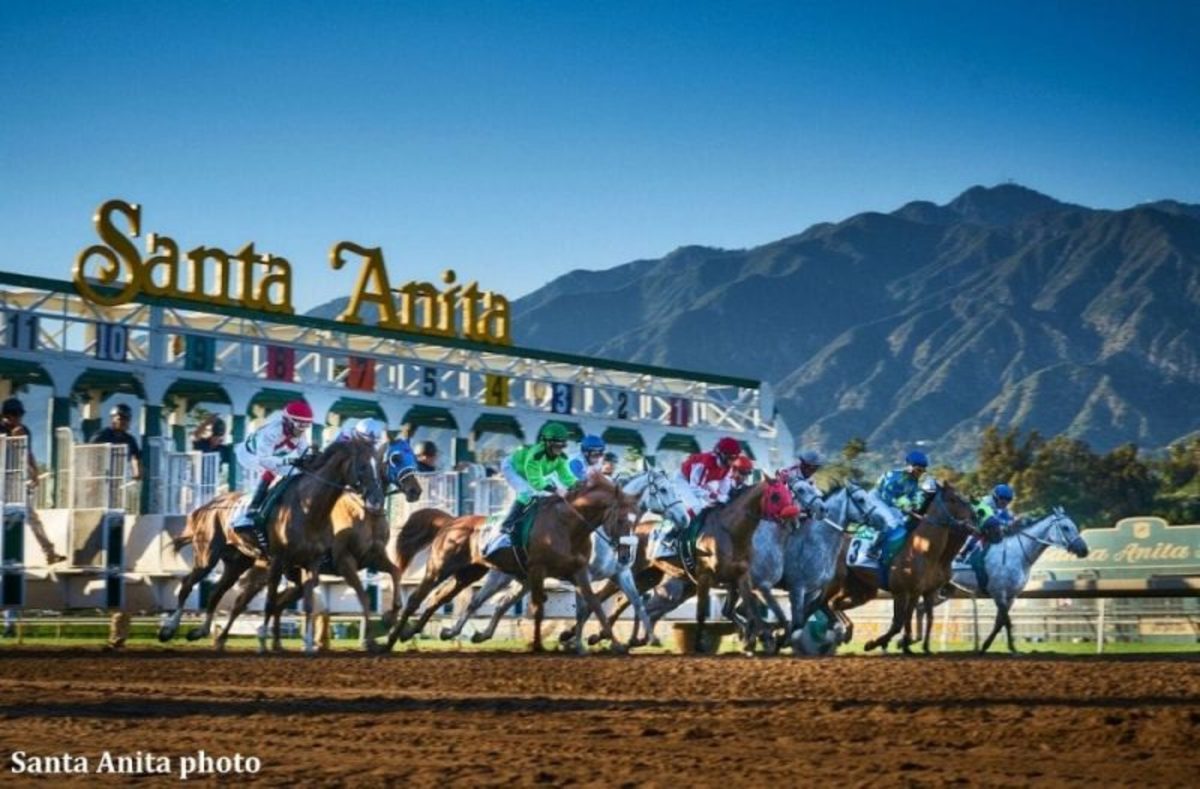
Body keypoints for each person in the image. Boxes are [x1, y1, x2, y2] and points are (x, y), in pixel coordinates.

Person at [230, 401, 314, 559]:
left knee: (296, 472)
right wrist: (289, 461)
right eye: (299, 425)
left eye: (305, 426)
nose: (301, 430)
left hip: (272, 456)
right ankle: (250, 512)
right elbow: (264, 460)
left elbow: (304, 455)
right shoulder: (271, 432)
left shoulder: (300, 434)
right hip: (249, 456)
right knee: (272, 471)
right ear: (288, 421)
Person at [0, 397, 66, 564]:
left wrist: (35, 472)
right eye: (12, 415)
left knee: (31, 517)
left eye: (19, 415)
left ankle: (49, 552)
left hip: (15, 481)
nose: (16, 418)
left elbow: (27, 453)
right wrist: (11, 440)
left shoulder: (24, 430)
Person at [497, 422, 578, 535]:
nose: (560, 449)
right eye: (557, 445)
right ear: (547, 443)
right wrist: (555, 490)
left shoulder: (561, 458)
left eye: (562, 445)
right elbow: (536, 482)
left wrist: (579, 486)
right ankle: (507, 524)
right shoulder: (536, 455)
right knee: (526, 493)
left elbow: (567, 477)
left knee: (543, 495)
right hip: (512, 468)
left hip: (528, 474)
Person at [865, 450, 928, 559]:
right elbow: (886, 496)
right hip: (876, 498)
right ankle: (872, 549)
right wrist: (905, 508)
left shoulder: (914, 482)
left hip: (889, 503)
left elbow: (913, 499)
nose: (920, 473)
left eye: (923, 471)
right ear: (909, 466)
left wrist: (917, 509)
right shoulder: (895, 476)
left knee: (901, 523)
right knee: (892, 521)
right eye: (918, 470)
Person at [89, 403, 143, 481]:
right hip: (101, 477)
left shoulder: (130, 439)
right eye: (120, 419)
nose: (124, 422)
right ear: (113, 419)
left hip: (119, 478)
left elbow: (135, 457)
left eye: (127, 419)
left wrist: (137, 474)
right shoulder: (102, 436)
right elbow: (90, 453)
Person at [963, 483, 1015, 559]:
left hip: (983, 523)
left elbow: (1008, 517)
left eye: (1008, 499)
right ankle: (965, 552)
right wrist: (1007, 523)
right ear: (995, 497)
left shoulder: (1002, 506)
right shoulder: (986, 502)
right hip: (972, 523)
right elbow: (992, 518)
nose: (1005, 502)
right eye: (1002, 498)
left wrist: (1014, 522)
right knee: (983, 529)